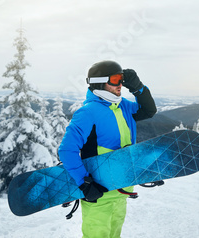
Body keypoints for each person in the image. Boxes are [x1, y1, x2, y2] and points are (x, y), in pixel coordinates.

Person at [58, 60, 157, 238]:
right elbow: (66, 150)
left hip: (121, 189)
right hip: (98, 194)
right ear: (100, 82)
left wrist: (138, 87)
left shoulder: (123, 106)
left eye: (122, 79)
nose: (120, 84)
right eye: (115, 79)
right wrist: (84, 184)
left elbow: (149, 110)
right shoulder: (88, 112)